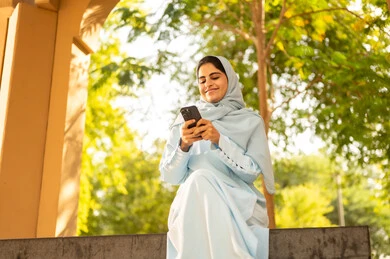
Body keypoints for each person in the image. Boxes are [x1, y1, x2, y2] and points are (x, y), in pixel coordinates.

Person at [159, 56, 275, 259]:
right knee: (199, 179)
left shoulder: (250, 121)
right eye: (202, 80)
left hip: (238, 202)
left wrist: (219, 140)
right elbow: (169, 177)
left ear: (229, 79)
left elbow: (252, 173)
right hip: (191, 208)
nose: (208, 84)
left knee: (201, 178)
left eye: (215, 77)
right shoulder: (182, 124)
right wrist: (184, 145)